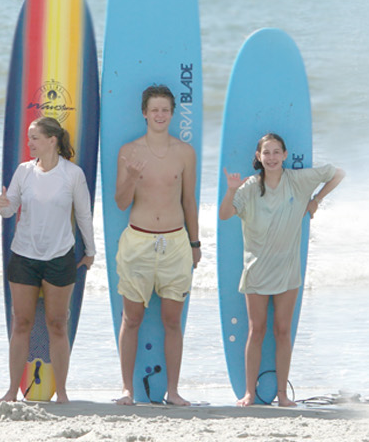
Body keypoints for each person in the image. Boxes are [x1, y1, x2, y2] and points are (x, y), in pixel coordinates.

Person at [219, 133, 344, 407]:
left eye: (277, 152)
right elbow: (225, 214)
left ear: (285, 155)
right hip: (256, 269)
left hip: (287, 269)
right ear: (258, 156)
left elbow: (338, 173)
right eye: (267, 153)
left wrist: (316, 200)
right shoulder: (250, 186)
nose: (272, 157)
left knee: (283, 331)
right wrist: (231, 190)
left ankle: (283, 394)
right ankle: (249, 393)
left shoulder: (298, 181)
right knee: (256, 330)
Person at [0, 117, 95, 403]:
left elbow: (83, 215)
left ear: (52, 140)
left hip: (59, 257)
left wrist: (90, 251)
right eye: (29, 138)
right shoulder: (24, 171)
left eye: (34, 138)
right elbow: (9, 210)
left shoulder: (72, 174)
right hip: (24, 256)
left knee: (57, 324)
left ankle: (61, 392)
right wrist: (1, 205)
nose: (29, 143)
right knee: (21, 322)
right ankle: (12, 391)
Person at [112, 85, 200, 406]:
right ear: (144, 113)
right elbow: (121, 202)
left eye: (165, 110)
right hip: (138, 241)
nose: (159, 115)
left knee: (172, 321)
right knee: (132, 318)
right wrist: (132, 177)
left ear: (172, 114)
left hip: (175, 242)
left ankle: (173, 390)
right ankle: (127, 389)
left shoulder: (185, 152)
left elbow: (189, 201)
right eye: (154, 110)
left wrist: (195, 242)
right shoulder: (129, 151)